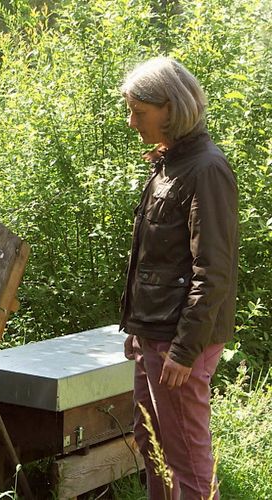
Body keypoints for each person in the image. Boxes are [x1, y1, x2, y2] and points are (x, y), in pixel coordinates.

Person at [119, 57, 238, 499]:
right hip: (156, 331)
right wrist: (137, 327)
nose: (132, 123)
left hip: (181, 339)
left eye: (139, 112)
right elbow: (156, 258)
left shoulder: (206, 169)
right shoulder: (170, 162)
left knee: (186, 458)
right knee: (152, 444)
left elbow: (214, 270)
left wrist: (184, 350)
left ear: (171, 107)